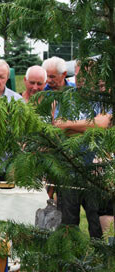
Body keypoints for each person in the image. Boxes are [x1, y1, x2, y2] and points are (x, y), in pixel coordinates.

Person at [53, 60, 111, 239]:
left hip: (97, 170)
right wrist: (88, 126)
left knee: (97, 223)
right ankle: (69, 262)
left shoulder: (104, 99)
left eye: (86, 75)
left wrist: (69, 125)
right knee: (68, 223)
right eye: (78, 75)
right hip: (68, 168)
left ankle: (100, 261)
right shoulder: (66, 98)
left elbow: (102, 125)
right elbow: (57, 127)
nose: (81, 80)